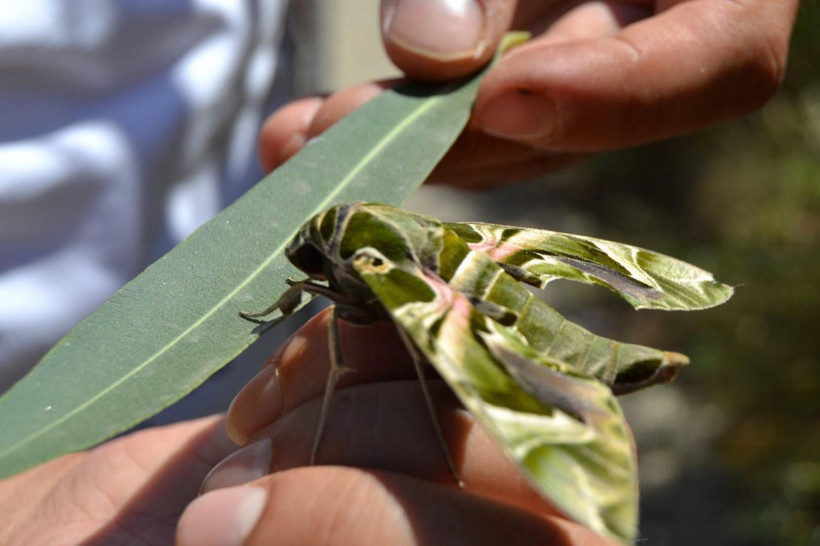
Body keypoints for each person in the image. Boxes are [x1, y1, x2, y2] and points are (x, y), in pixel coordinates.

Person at [0, 1, 800, 544]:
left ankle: (574, 428)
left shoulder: (382, 271)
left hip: (197, 427)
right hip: (159, 429)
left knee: (379, 389)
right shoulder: (384, 256)